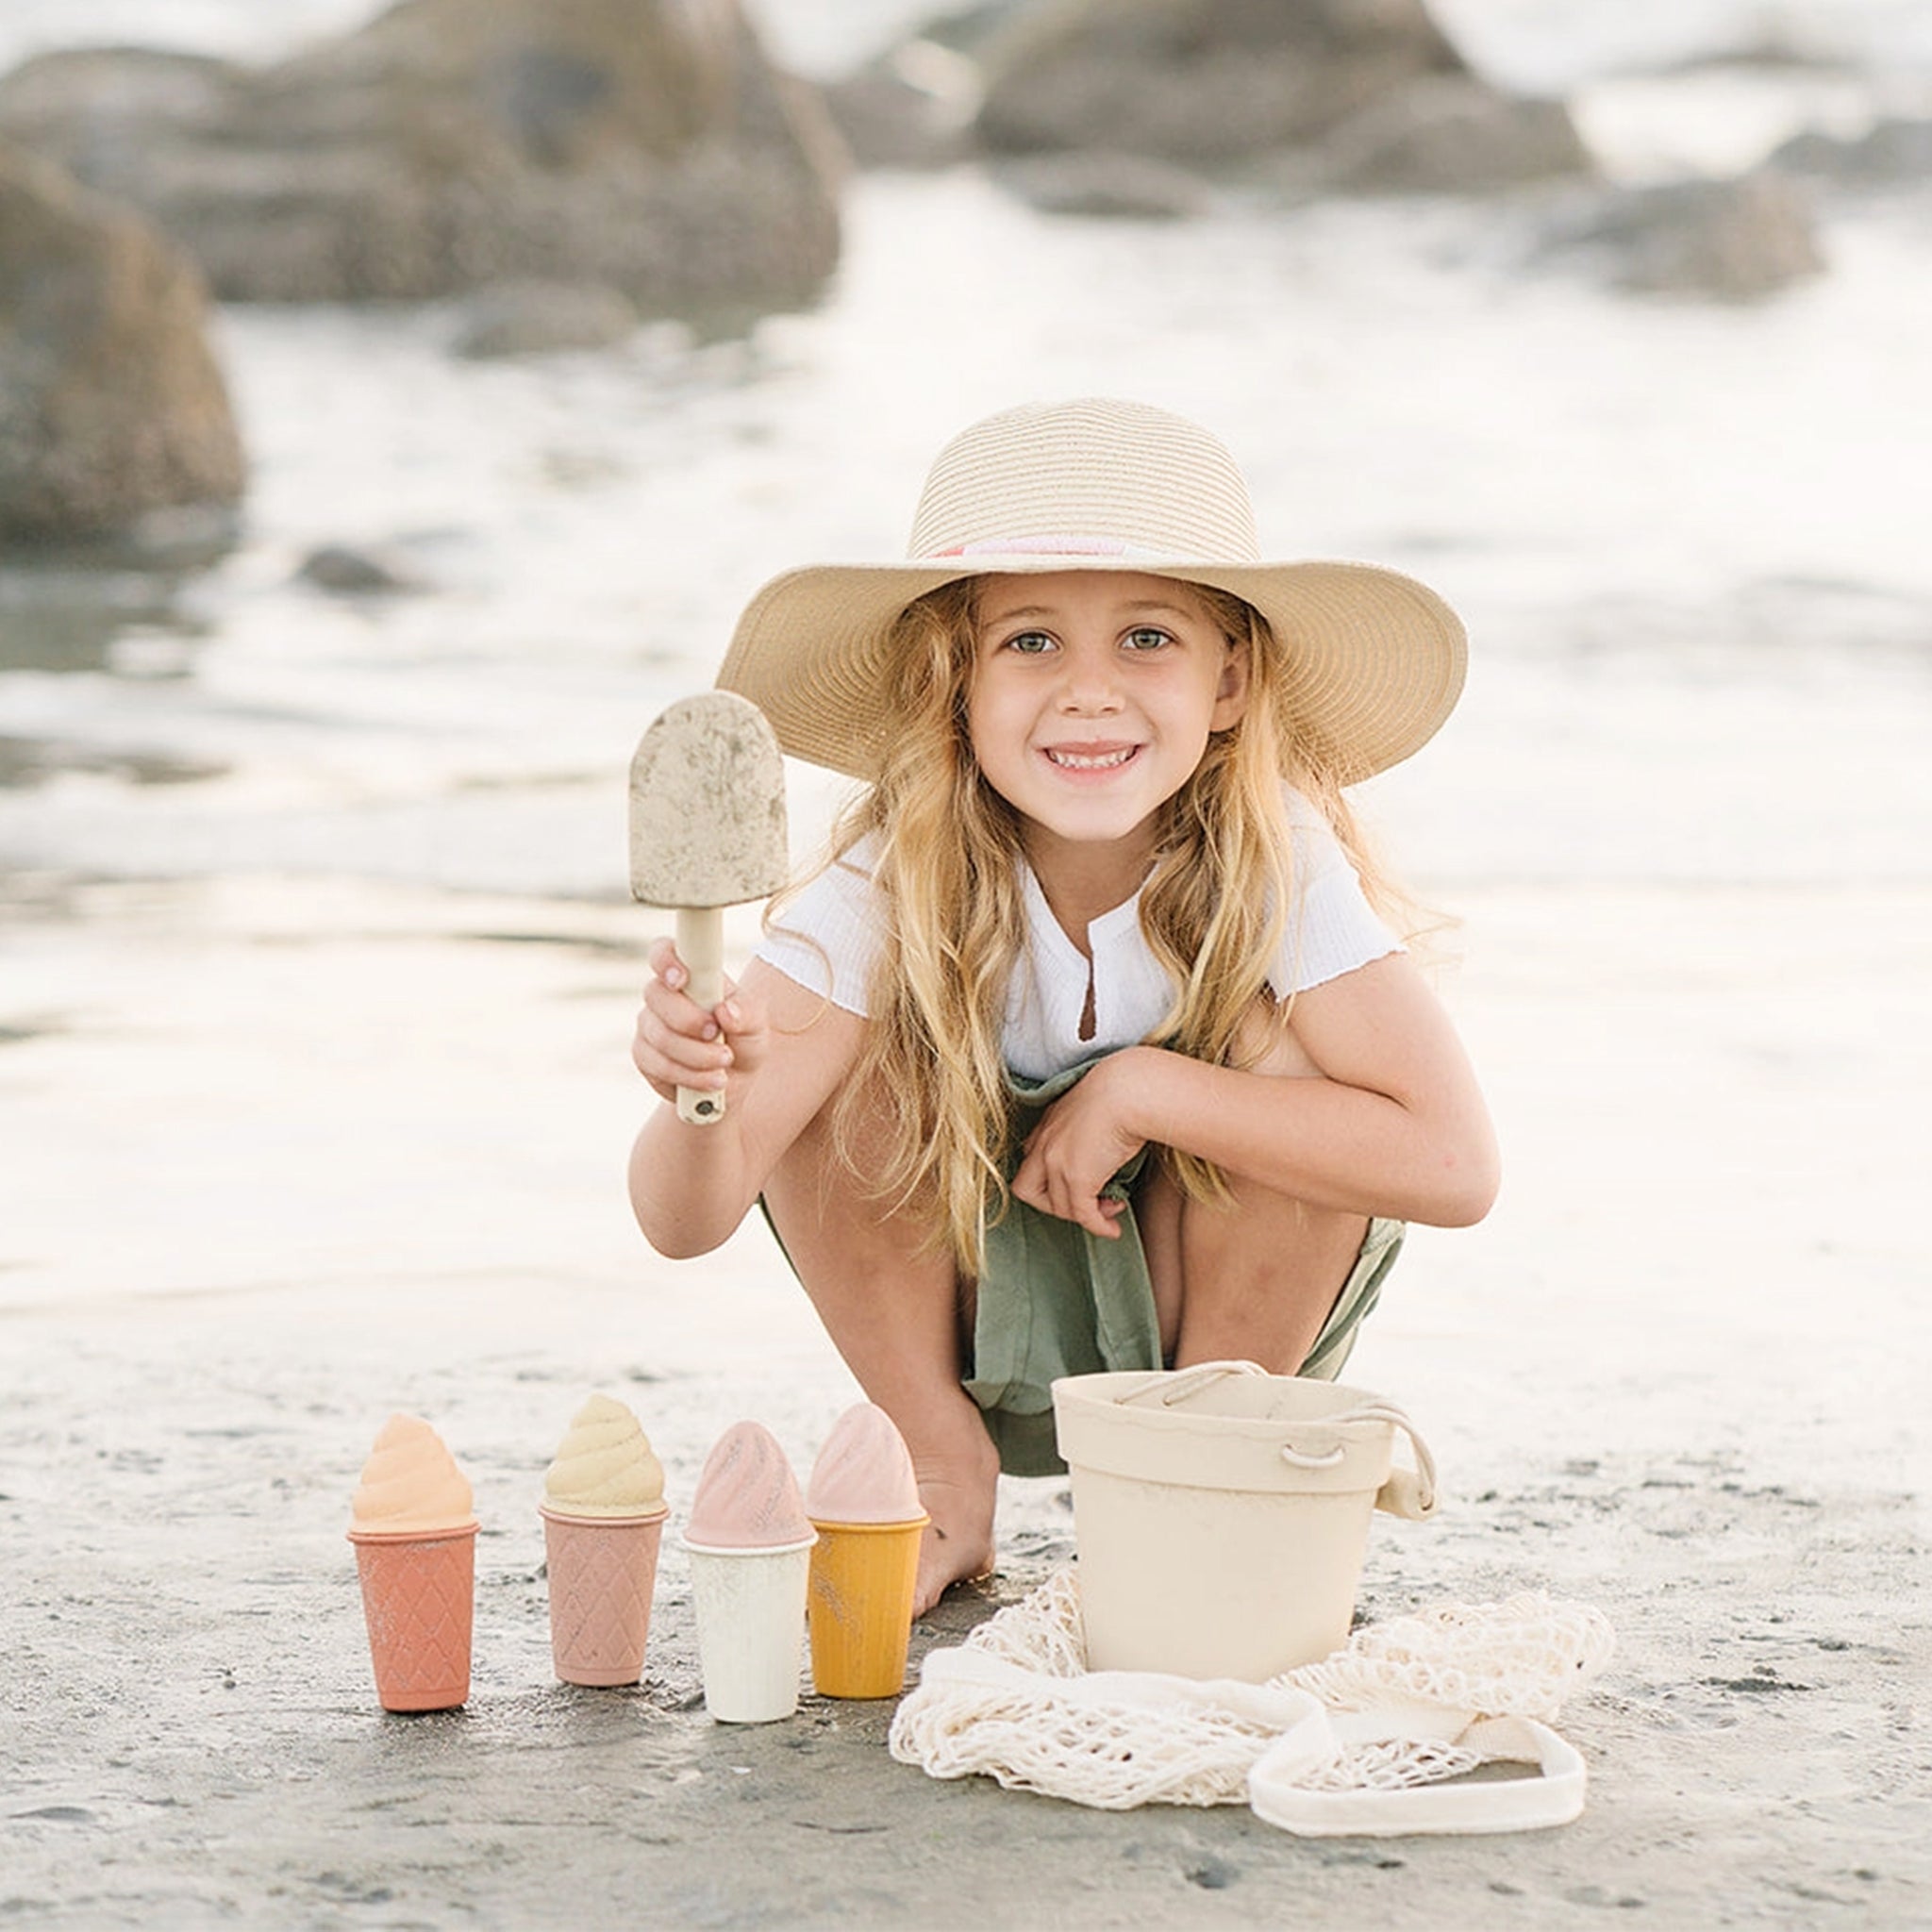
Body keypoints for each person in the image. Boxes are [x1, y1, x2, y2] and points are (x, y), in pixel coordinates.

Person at [629, 398, 1498, 1614]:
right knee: (828, 1053)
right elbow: (684, 1221)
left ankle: (1196, 1484)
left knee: (1290, 1067)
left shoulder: (1277, 865)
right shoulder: (885, 884)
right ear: (953, 684)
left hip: (1213, 1332)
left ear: (1231, 679)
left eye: (1148, 638)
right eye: (1031, 642)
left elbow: (1456, 1164)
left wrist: (1150, 1089)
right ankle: (939, 1463)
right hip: (973, 1327)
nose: (1090, 694)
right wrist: (701, 1098)